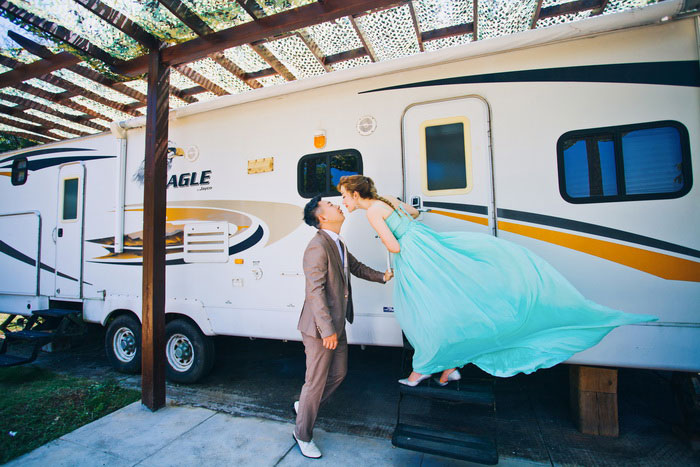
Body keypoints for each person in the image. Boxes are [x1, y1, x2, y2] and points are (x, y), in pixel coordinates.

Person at [336, 175, 657, 387]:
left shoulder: (372, 212)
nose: (343, 203)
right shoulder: (387, 199)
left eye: (344, 197)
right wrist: (403, 225)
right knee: (455, 301)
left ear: (355, 194)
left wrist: (387, 240)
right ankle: (447, 368)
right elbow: (415, 215)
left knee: (422, 313)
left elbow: (393, 247)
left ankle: (425, 370)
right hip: (429, 242)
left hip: (416, 257)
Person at [293, 195, 393, 458]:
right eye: (329, 205)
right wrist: (327, 331)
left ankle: (305, 406)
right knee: (315, 383)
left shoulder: (337, 242)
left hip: (337, 324)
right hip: (320, 329)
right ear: (322, 217)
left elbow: (356, 267)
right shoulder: (317, 247)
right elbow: (315, 292)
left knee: (338, 374)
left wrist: (382, 277)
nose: (337, 204)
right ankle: (302, 434)